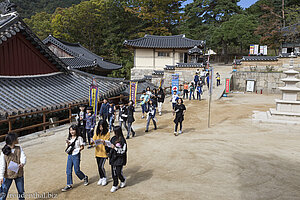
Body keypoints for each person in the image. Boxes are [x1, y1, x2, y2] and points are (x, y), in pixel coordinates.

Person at [62, 125, 88, 191]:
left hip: (76, 155)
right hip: (70, 155)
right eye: (70, 130)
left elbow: (82, 147)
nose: (72, 132)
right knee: (68, 170)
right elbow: (67, 147)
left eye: (73, 130)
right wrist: (67, 143)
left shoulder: (79, 138)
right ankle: (69, 184)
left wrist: (77, 150)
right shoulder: (69, 138)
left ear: (76, 130)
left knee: (77, 170)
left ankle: (84, 177)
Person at [0, 132, 26, 199]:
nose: (18, 139)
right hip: (8, 175)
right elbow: (2, 165)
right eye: (16, 138)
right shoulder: (4, 152)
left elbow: (23, 157)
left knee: (21, 192)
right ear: (13, 140)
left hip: (19, 174)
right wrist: (1, 176)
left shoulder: (19, 148)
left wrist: (22, 163)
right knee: (3, 192)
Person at [108, 126, 127, 193]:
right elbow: (110, 147)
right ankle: (115, 184)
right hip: (113, 158)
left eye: (115, 132)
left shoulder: (122, 140)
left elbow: (123, 151)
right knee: (113, 173)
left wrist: (115, 148)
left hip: (120, 159)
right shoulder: (113, 138)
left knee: (118, 172)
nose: (114, 133)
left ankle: (122, 180)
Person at [93, 120, 110, 186]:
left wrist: (104, 142)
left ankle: (104, 177)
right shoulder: (97, 133)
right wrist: (92, 142)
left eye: (102, 127)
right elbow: (94, 139)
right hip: (97, 152)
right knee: (98, 166)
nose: (101, 128)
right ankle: (101, 177)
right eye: (100, 126)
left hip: (104, 153)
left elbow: (108, 142)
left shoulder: (107, 133)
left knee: (101, 166)